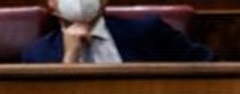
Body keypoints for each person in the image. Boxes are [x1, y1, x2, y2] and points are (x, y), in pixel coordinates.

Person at [22, 0, 214, 63]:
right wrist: (70, 57)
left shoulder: (147, 32)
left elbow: (210, 67)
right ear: (51, 3)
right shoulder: (37, 54)